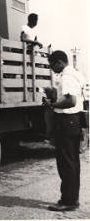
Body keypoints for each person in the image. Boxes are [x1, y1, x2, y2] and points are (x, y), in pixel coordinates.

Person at [43, 50, 84, 211]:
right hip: (74, 121)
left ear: (59, 62)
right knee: (72, 162)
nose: (52, 69)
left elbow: (70, 101)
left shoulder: (67, 76)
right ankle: (72, 199)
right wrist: (53, 94)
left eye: (52, 65)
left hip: (66, 121)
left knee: (66, 163)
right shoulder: (75, 74)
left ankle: (68, 201)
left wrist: (51, 105)